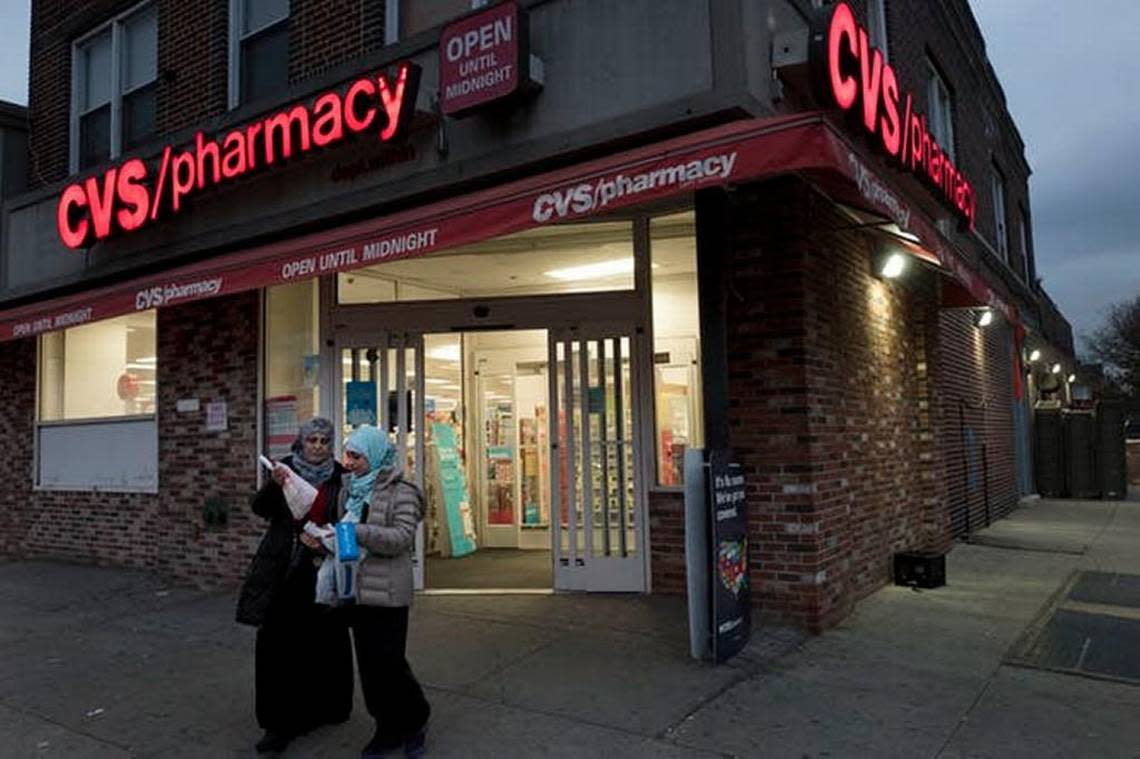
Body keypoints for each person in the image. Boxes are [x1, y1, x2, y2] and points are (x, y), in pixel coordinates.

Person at [236, 418, 354, 755]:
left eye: (323, 440)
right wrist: (274, 485)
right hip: (283, 568)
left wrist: (327, 538)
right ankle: (278, 724)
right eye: (312, 440)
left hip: (323, 568)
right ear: (301, 443)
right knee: (277, 645)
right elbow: (260, 509)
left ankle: (325, 708)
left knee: (324, 643)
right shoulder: (284, 468)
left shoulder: (340, 475)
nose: (317, 446)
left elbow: (348, 516)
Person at [324, 424, 431, 759]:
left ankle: (414, 721)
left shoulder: (403, 491)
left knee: (390, 665)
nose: (350, 462)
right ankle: (386, 728)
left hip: (387, 592)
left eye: (356, 456)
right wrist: (326, 538)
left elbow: (401, 539)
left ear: (373, 454)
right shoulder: (349, 489)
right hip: (355, 589)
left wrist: (359, 531)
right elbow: (343, 532)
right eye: (348, 455)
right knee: (370, 668)